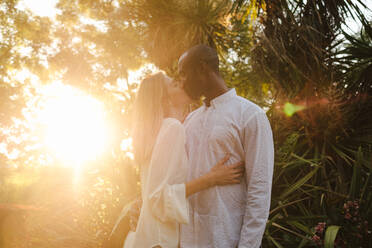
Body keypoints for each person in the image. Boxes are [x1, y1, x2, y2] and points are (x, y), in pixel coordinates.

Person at [124, 72, 245, 248]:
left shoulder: (160, 131)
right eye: (174, 85)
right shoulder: (172, 128)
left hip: (149, 236)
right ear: (164, 98)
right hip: (161, 240)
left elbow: (154, 189)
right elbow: (158, 198)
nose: (182, 84)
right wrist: (212, 178)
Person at [178, 44, 274, 248]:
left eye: (184, 74)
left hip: (226, 240)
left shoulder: (251, 115)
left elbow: (260, 190)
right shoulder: (190, 121)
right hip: (188, 241)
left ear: (202, 68)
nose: (182, 82)